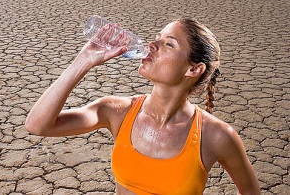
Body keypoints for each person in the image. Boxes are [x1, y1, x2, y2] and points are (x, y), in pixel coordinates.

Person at [25, 18, 260, 194]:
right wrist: (83, 61)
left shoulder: (216, 135)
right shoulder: (117, 111)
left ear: (193, 69)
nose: (152, 44)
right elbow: (38, 125)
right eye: (158, 37)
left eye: (169, 44)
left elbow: (250, 192)